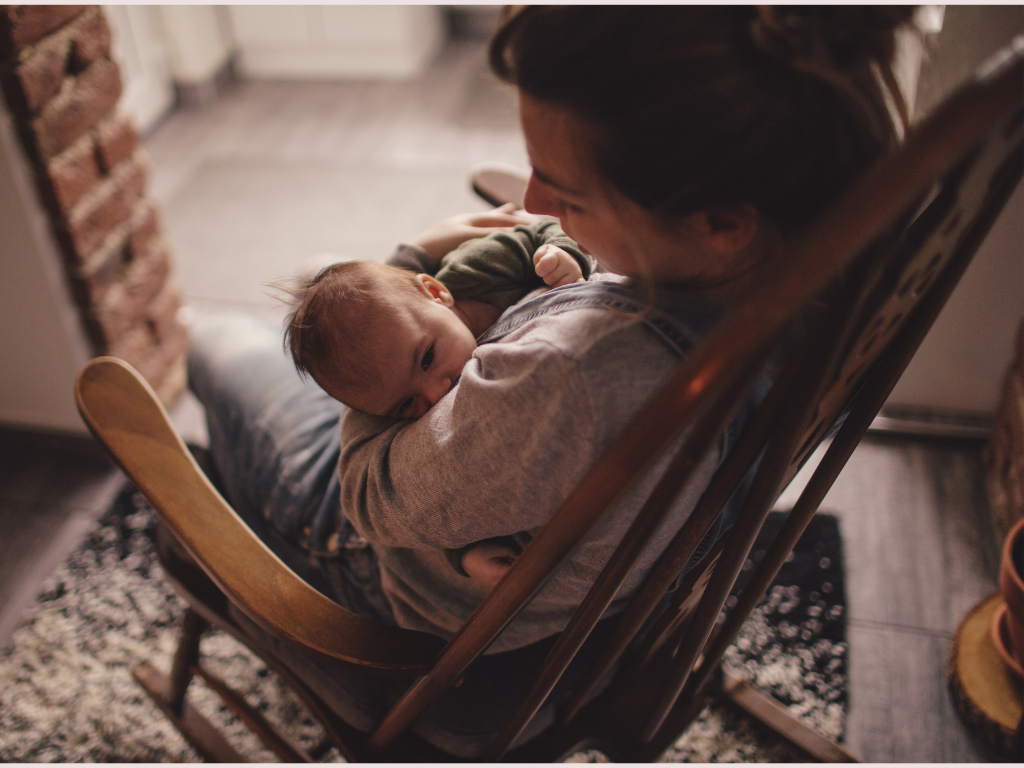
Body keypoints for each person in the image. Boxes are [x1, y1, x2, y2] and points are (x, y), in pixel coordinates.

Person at [187, 6, 915, 755]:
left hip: (441, 636)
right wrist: (411, 293)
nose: (534, 202)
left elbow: (368, 498)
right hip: (619, 604)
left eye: (569, 193)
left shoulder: (574, 374)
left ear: (720, 221)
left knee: (214, 344)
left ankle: (226, 486)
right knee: (329, 291)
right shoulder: (830, 259)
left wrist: (407, 266)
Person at [280, 219, 593, 583]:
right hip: (354, 494)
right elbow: (453, 512)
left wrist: (561, 253)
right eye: (405, 405)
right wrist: (464, 553)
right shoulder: (418, 346)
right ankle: (315, 273)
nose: (435, 394)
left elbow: (536, 233)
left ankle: (315, 271)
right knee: (333, 303)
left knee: (241, 332)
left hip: (351, 531)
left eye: (427, 358)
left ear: (436, 291)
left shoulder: (473, 270)